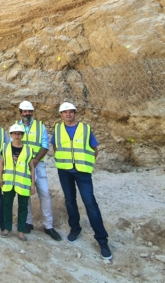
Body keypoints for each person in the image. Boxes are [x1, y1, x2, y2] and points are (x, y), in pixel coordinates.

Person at [52, 102, 112, 260]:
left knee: (90, 203)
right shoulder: (57, 129)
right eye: (65, 112)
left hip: (82, 172)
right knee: (70, 200)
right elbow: (55, 147)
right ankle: (75, 228)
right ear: (61, 115)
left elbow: (94, 149)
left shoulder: (85, 129)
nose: (68, 114)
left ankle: (102, 240)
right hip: (64, 170)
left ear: (75, 113)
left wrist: (86, 163)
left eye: (70, 112)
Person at [16, 100, 62, 241]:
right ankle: (28, 222)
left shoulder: (40, 126)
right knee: (25, 194)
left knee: (44, 193)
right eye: (25, 111)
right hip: (23, 165)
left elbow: (45, 145)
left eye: (29, 111)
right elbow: (14, 145)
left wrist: (35, 161)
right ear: (20, 112)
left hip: (38, 165)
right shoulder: (16, 127)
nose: (27, 113)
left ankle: (48, 226)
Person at [0, 124, 35, 240]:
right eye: (15, 133)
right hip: (8, 182)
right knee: (7, 205)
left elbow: (32, 167)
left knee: (23, 206)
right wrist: (0, 178)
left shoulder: (28, 150)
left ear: (22, 135)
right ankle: (7, 228)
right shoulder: (5, 147)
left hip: (23, 183)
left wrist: (33, 184)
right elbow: (1, 163)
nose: (17, 135)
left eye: (19, 133)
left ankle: (20, 230)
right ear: (11, 135)